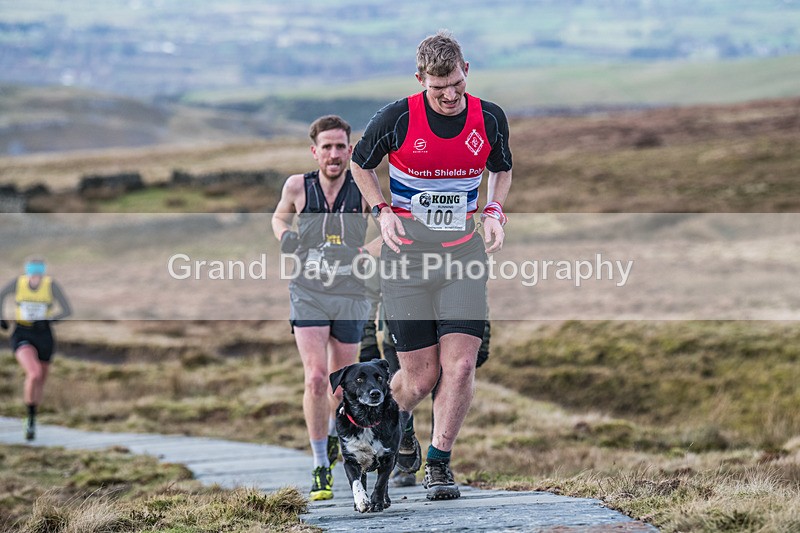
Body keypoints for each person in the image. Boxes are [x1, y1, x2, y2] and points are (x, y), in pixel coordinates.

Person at [351, 30, 512, 500]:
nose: (449, 95)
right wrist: (382, 212)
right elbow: (363, 164)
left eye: (456, 84)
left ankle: (439, 463)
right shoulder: (397, 117)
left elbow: (501, 167)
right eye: (438, 87)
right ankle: (396, 431)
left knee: (460, 367)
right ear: (421, 78)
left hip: (463, 255)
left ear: (467, 71)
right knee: (420, 377)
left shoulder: (490, 117)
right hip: (406, 262)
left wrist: (494, 211)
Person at [272, 115, 379, 501]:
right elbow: (279, 215)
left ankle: (335, 438)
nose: (334, 154)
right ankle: (320, 465)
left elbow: (390, 229)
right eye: (327, 147)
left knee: (340, 386)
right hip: (308, 291)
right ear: (314, 151)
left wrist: (364, 253)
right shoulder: (298, 185)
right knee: (316, 379)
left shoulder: (364, 186)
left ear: (350, 150)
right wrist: (285, 236)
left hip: (351, 294)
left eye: (341, 146)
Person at [0, 258, 72, 440]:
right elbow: (1, 296)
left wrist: (48, 320)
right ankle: (30, 420)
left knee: (41, 379)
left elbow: (67, 310)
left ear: (42, 274)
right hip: (22, 333)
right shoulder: (18, 283)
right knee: (33, 373)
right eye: (32, 273)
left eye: (38, 274)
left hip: (44, 336)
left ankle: (32, 415)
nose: (35, 278)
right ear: (27, 273)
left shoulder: (51, 285)